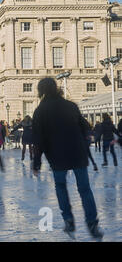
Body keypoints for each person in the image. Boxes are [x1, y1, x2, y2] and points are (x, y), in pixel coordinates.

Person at [32, 77, 103, 240]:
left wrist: (36, 162)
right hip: (77, 152)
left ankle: (69, 219)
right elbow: (85, 127)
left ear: (41, 91)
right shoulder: (71, 105)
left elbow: (39, 139)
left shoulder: (40, 111)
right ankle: (92, 222)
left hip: (57, 156)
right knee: (84, 189)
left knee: (61, 186)